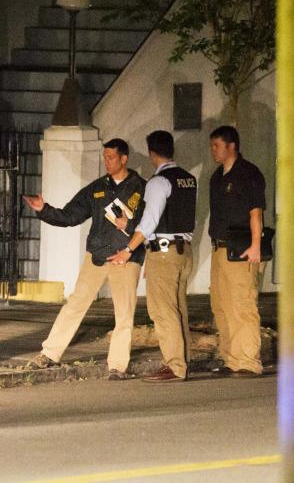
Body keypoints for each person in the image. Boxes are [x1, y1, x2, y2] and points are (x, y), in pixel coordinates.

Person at [23, 138, 147, 380]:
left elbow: (149, 224)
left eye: (111, 157)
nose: (106, 162)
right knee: (75, 304)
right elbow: (70, 215)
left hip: (126, 258)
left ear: (124, 158)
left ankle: (117, 366)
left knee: (124, 313)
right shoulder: (98, 187)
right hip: (97, 256)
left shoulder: (141, 187)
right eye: (104, 157)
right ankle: (49, 353)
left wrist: (130, 238)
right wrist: (44, 209)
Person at [108, 131, 196, 383]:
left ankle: (175, 366)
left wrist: (128, 250)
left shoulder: (158, 182)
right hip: (183, 250)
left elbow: (149, 222)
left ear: (152, 154)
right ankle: (184, 360)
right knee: (178, 309)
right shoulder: (188, 179)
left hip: (165, 251)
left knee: (162, 311)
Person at [207, 125, 266, 377]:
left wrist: (256, 246)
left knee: (242, 304)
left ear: (231, 146)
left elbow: (256, 212)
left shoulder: (248, 173)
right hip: (219, 248)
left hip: (242, 248)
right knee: (221, 305)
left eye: (216, 146)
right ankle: (231, 358)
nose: (213, 151)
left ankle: (249, 360)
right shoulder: (217, 177)